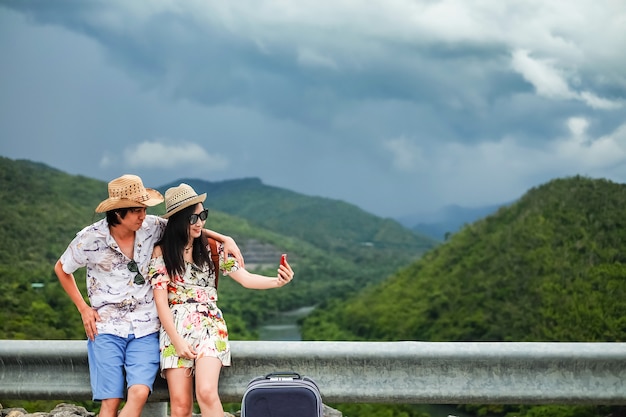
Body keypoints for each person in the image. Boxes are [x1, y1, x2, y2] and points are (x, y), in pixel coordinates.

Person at [54, 174, 244, 417]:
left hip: (145, 326)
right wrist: (83, 308)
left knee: (140, 392)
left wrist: (226, 239)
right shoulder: (90, 238)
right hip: (107, 326)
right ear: (117, 213)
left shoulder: (151, 226)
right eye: (136, 211)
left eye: (144, 209)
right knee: (110, 402)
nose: (143, 215)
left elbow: (187, 225)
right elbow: (62, 268)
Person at [147, 183, 294, 417]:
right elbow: (161, 302)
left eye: (203, 215)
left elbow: (244, 278)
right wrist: (177, 341)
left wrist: (277, 281)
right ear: (179, 219)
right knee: (181, 407)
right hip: (175, 330)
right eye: (194, 217)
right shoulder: (161, 252)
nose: (200, 223)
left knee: (206, 392)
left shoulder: (212, 248)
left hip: (209, 326)